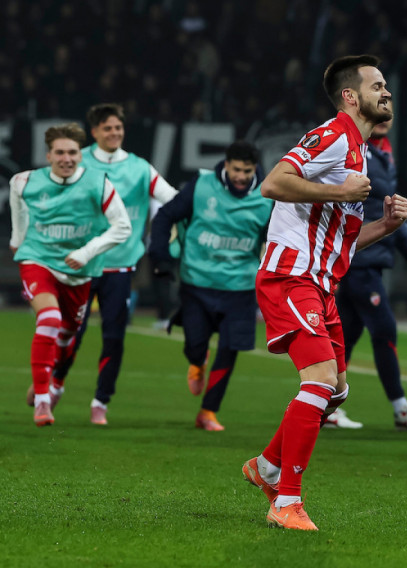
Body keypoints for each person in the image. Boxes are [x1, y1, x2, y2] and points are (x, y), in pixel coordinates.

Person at [240, 55, 407, 531]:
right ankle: (285, 501)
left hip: (322, 283)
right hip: (291, 276)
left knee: (335, 392)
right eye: (378, 85)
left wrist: (385, 224)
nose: (387, 93)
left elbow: (342, 240)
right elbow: (272, 184)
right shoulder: (334, 134)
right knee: (317, 382)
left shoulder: (360, 150)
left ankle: (268, 467)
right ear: (351, 97)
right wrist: (340, 194)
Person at [50, 103, 177, 425]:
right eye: (107, 128)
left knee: (114, 337)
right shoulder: (77, 161)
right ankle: (56, 383)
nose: (114, 133)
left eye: (118, 128)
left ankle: (100, 402)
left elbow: (172, 198)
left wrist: (193, 209)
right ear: (94, 132)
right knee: (70, 333)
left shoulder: (139, 168)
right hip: (80, 265)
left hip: (120, 267)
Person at [149, 141, 274, 431]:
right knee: (195, 345)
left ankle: (208, 412)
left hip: (240, 288)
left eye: (247, 170)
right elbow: (165, 215)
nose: (241, 176)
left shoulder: (267, 195)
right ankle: (197, 361)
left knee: (230, 349)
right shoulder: (202, 185)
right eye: (236, 169)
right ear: (226, 165)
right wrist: (161, 256)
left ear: (255, 169)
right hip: (197, 285)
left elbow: (276, 238)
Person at [11, 123, 131, 426]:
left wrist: (86, 252)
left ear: (81, 155)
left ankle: (58, 382)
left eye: (73, 152)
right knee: (49, 319)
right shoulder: (24, 181)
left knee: (67, 337)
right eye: (60, 152)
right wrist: (17, 241)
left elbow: (123, 227)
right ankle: (42, 400)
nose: (66, 158)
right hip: (38, 260)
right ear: (49, 155)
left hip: (79, 271)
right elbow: (20, 213)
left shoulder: (97, 183)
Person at [335, 118, 407, 430]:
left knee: (345, 336)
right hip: (361, 259)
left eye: (388, 114)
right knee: (384, 329)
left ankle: (326, 404)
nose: (385, 120)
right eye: (378, 115)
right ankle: (400, 407)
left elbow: (389, 211)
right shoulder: (356, 153)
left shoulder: (383, 155)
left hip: (362, 258)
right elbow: (378, 211)